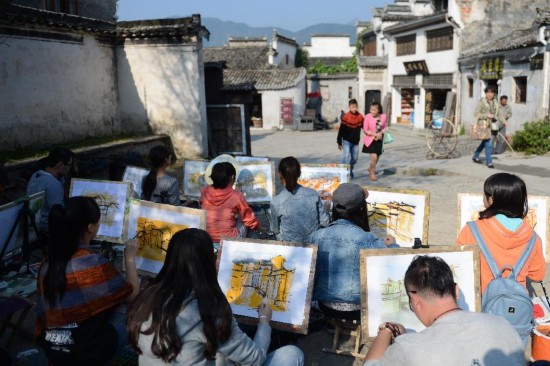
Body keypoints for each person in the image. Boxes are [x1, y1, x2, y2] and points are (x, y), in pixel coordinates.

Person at [127, 228, 304, 365]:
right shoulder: (208, 309)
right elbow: (255, 358)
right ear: (208, 263)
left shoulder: (147, 296)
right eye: (214, 255)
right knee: (292, 354)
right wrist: (265, 321)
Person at [364, 255, 525, 365]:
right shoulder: (502, 325)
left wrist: (387, 330)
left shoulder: (407, 347)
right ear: (456, 291)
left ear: (415, 301)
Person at [35, 196, 140, 366]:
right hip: (87, 353)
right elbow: (133, 294)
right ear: (90, 227)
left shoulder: (47, 262)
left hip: (52, 347)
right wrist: (129, 258)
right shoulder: (91, 262)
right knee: (125, 307)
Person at [311, 183, 398, 320]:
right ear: (361, 210)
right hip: (358, 308)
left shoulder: (317, 235)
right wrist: (393, 245)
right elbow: (394, 261)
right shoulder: (367, 239)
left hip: (324, 306)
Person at [456, 173, 545, 294]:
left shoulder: (471, 230)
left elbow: (458, 267)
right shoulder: (534, 238)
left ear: (491, 200)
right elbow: (537, 275)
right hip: (515, 307)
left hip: (481, 305)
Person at [270, 157, 330, 243]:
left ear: (279, 174)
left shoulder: (276, 202)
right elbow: (325, 222)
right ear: (299, 174)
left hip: (290, 248)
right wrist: (326, 209)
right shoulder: (313, 194)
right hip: (314, 246)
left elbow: (275, 230)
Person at [200, 162, 260, 243]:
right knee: (243, 218)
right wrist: (259, 227)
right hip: (228, 241)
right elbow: (249, 220)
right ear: (232, 178)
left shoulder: (205, 191)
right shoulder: (237, 196)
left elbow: (201, 205)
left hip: (205, 237)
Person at [27, 147, 75, 232]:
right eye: (69, 165)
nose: (70, 168)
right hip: (46, 229)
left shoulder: (36, 174)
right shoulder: (54, 184)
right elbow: (59, 214)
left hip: (33, 224)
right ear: (60, 165)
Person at [472, 86, 499, 169]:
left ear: (494, 93)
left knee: (484, 143)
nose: (490, 94)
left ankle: (475, 156)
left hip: (493, 126)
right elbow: (476, 114)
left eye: (491, 92)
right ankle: (489, 162)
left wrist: (502, 121)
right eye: (488, 92)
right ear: (485, 93)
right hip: (484, 125)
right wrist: (486, 115)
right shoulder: (482, 102)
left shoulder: (495, 102)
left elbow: (498, 113)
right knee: (489, 143)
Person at [337, 99, 364, 178]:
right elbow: (341, 130)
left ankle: (350, 168)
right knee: (345, 157)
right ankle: (343, 173)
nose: (354, 109)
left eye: (355, 107)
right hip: (346, 141)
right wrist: (339, 141)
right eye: (352, 107)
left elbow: (365, 127)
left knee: (355, 158)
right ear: (349, 107)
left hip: (355, 142)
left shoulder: (360, 117)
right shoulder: (346, 117)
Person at [362, 102, 386, 181]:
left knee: (377, 157)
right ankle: (372, 173)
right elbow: (365, 130)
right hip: (370, 140)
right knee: (374, 157)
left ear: (378, 110)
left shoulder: (383, 116)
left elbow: (384, 127)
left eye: (374, 110)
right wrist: (374, 134)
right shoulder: (367, 117)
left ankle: (370, 168)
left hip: (379, 140)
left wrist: (381, 133)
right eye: (371, 109)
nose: (372, 111)